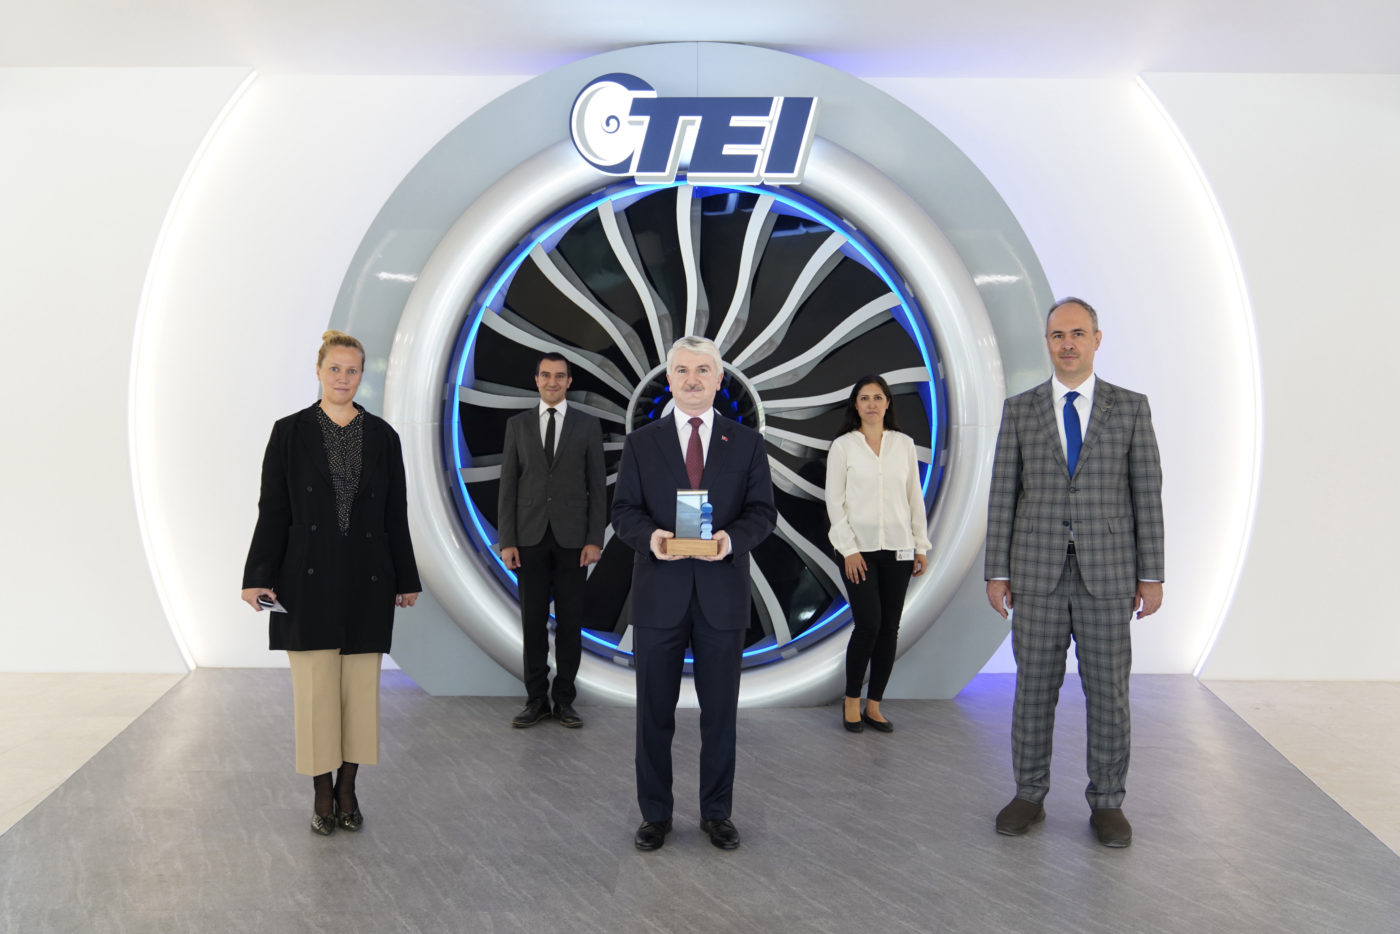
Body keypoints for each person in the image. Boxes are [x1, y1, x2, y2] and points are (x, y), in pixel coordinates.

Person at [984, 298, 1164, 848]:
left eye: (1078, 334)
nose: (1067, 344)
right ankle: (1029, 794)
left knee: (1108, 693)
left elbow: (1147, 495)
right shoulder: (1020, 410)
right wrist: (996, 570)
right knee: (1033, 691)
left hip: (1108, 576)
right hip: (1035, 574)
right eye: (1058, 335)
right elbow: (1003, 494)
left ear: (1096, 340)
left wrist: (1152, 574)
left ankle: (1107, 802)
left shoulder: (1129, 408)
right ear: (1047, 342)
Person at [241, 330, 421, 836]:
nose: (343, 378)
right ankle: (322, 792)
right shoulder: (289, 432)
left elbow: (396, 513)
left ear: (362, 375)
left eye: (352, 370)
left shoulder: (383, 436)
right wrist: (257, 577)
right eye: (335, 368)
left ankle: (348, 789)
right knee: (316, 693)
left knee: (359, 693)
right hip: (305, 578)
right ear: (319, 371)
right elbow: (273, 510)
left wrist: (406, 577)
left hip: (368, 577)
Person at [611, 336, 777, 852]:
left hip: (721, 596)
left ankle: (716, 813)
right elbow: (624, 513)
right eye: (682, 370)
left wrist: (729, 541)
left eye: (703, 370)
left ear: (719, 379)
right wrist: (652, 539)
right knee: (652, 715)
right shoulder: (642, 443)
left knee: (720, 716)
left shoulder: (746, 443)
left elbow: (762, 513)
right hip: (659, 595)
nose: (692, 380)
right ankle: (655, 815)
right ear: (669, 378)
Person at [497, 351, 606, 729]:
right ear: (536, 379)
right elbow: (508, 486)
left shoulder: (587, 426)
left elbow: (597, 487)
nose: (552, 382)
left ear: (569, 382)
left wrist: (595, 539)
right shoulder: (517, 425)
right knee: (533, 625)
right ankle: (535, 700)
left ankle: (564, 701)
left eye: (560, 376)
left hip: (574, 541)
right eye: (546, 375)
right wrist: (507, 540)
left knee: (571, 624)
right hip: (528, 539)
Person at [825, 375, 930, 734]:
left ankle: (874, 705)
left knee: (889, 628)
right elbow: (834, 502)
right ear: (855, 405)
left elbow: (914, 497)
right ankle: (851, 700)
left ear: (888, 403)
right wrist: (849, 550)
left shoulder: (904, 444)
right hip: (858, 551)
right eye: (864, 398)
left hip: (900, 548)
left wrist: (920, 545)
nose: (871, 404)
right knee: (868, 623)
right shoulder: (843, 447)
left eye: (878, 397)